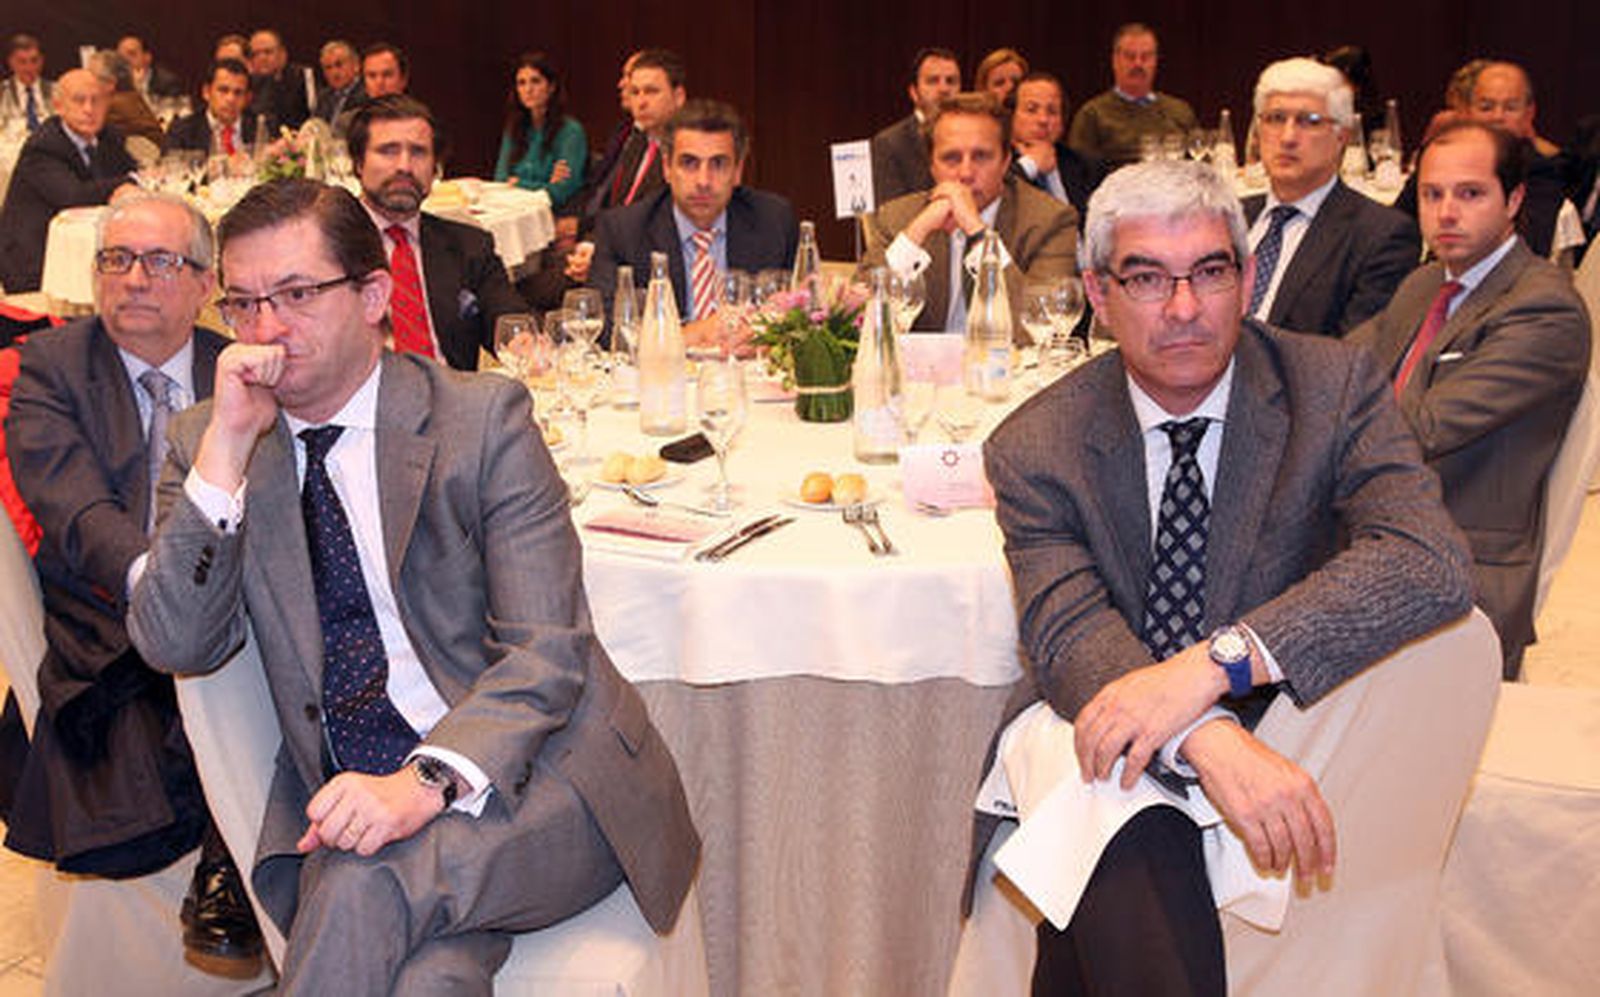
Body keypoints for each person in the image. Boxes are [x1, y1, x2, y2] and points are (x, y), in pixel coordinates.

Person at [127, 177, 699, 995]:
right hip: (354, 803)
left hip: (539, 784)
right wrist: (224, 451)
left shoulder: (481, 420)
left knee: (367, 880)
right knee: (424, 979)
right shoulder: (212, 440)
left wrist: (423, 783)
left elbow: (547, 652)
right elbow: (174, 640)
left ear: (372, 295)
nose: (265, 330)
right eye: (244, 304)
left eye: (295, 294)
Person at [980, 158, 1473, 994]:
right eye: (1146, 278)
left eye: (1208, 272)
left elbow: (1429, 560)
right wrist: (1199, 732)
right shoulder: (1036, 443)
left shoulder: (1329, 388)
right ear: (1098, 297)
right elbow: (1068, 636)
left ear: (1246, 281)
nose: (1183, 308)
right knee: (1109, 793)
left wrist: (1216, 665)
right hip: (1093, 714)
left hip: (1286, 716)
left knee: (1099, 824)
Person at [3, 191, 262, 966]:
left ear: (204, 283)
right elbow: (74, 510)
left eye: (159, 261)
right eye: (117, 260)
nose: (135, 279)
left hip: (233, 604)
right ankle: (230, 856)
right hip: (109, 617)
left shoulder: (237, 368)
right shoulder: (51, 368)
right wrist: (164, 589)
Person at [1350, 121, 1590, 678]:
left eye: (1470, 193)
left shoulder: (1544, 309)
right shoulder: (1426, 284)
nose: (1447, 213)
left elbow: (1421, 426)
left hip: (1458, 557)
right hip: (1384, 522)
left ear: (1514, 199)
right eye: (1433, 195)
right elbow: (1341, 364)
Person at [862, 92, 1078, 335]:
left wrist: (977, 233)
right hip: (925, 371)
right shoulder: (898, 217)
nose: (965, 173)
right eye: (951, 158)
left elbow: (1043, 329)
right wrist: (917, 233)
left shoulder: (1049, 220)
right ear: (932, 166)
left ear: (1006, 161)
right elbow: (859, 321)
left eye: (981, 156)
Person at [590, 99, 797, 350]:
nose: (703, 181)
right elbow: (607, 330)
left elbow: (796, 313)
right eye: (689, 163)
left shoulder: (773, 220)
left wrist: (766, 335)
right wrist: (690, 335)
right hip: (662, 380)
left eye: (718, 164)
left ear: (738, 171)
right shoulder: (623, 229)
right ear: (667, 168)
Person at [1240, 57, 1418, 336]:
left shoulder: (1381, 236)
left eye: (1308, 121)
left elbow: (1352, 359)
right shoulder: (1231, 217)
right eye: (1275, 119)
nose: (1287, 137)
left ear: (1341, 137)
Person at [350, 95, 526, 371]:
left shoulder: (469, 244)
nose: (404, 166)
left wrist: (524, 344)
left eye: (418, 152)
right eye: (388, 151)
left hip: (452, 401)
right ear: (358, 164)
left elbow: (506, 316)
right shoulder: (325, 245)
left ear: (435, 170)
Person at [0, 69, 138, 294]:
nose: (89, 109)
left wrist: (127, 182)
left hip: (90, 249)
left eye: (96, 100)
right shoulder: (43, 146)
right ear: (58, 106)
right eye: (79, 100)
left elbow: (134, 172)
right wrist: (122, 184)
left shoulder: (109, 136)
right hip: (35, 260)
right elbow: (73, 196)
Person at [1068, 23, 1197, 168]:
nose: (1138, 64)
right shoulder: (1092, 115)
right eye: (1130, 56)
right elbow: (1079, 175)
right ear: (1115, 61)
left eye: (1146, 56)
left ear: (1155, 61)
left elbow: (1197, 167)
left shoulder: (1180, 111)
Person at [494, 52, 588, 211]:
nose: (528, 89)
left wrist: (518, 183)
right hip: (514, 211)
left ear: (551, 87)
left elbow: (561, 192)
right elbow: (500, 181)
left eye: (535, 81)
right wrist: (543, 185)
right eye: (521, 83)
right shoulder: (513, 128)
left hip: (553, 215)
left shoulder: (571, 132)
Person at [871, 47, 961, 204]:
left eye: (951, 81)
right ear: (914, 92)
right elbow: (892, 213)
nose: (944, 89)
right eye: (933, 81)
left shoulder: (971, 137)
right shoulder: (890, 144)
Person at [1010, 71, 1102, 219]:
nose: (1043, 120)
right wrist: (1030, 165)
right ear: (1012, 116)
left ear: (1062, 123)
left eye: (1052, 111)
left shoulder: (1085, 167)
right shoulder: (1001, 164)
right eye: (1031, 110)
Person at [163, 58, 255, 156]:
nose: (231, 99)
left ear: (248, 98)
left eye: (238, 93)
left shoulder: (260, 129)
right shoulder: (182, 131)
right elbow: (171, 166)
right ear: (206, 92)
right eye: (223, 90)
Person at [87, 50, 164, 147]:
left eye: (90, 76)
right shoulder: (129, 97)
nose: (84, 81)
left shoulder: (112, 106)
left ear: (110, 83)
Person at [247, 28, 310, 132]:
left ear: (283, 54)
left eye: (268, 52)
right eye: (255, 54)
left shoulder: (303, 78)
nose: (262, 58)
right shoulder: (247, 86)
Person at [0, 34, 50, 132]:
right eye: (22, 62)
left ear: (42, 61)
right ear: (11, 62)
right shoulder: (2, 92)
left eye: (34, 60)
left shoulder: (57, 90)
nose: (29, 67)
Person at [115, 35, 184, 103]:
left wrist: (139, 87)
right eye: (120, 57)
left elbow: (167, 112)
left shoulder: (168, 83)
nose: (125, 60)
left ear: (147, 57)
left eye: (132, 54)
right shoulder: (115, 82)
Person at [313, 40, 361, 125]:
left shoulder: (367, 93)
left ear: (356, 65)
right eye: (328, 68)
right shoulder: (324, 97)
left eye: (339, 65)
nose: (334, 72)